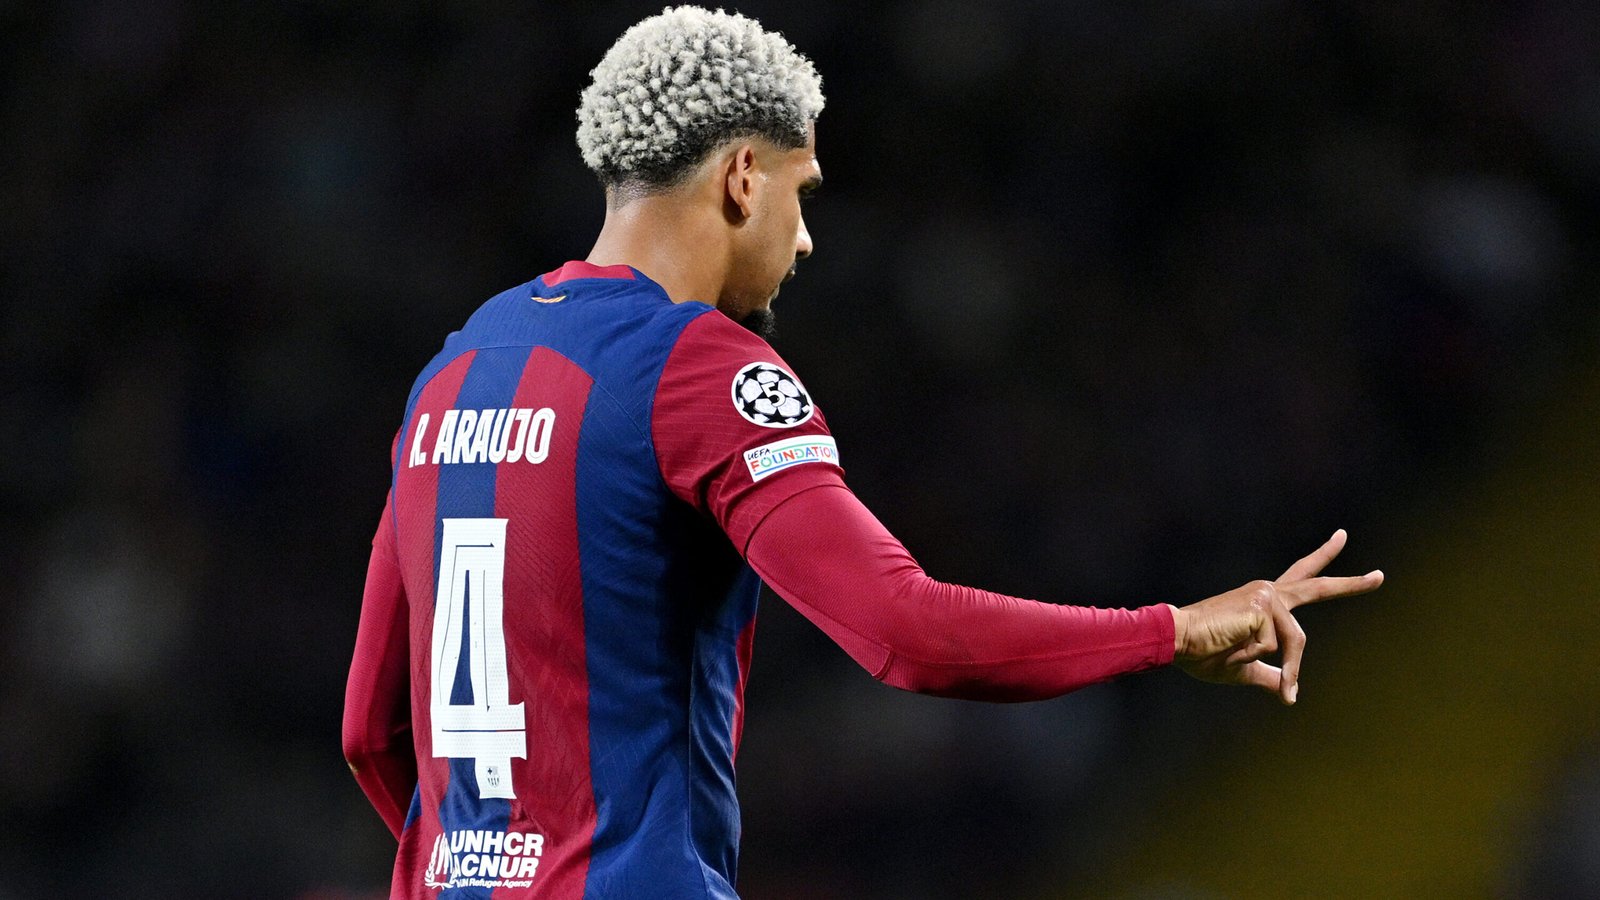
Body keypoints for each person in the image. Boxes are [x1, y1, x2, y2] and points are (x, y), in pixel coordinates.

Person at [341, 7, 1384, 898]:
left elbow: (370, 730)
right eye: (804, 192)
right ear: (743, 177)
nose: (802, 240)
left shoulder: (455, 369)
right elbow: (904, 632)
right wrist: (1166, 631)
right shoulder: (697, 368)